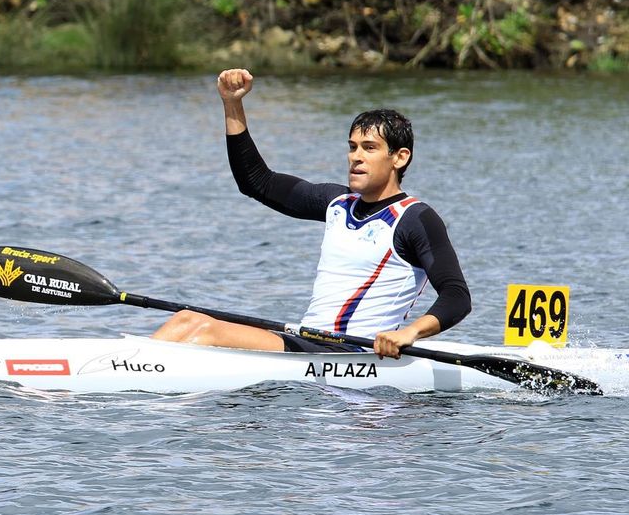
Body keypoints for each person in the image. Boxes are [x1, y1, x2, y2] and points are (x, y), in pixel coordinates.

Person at [152, 69, 469, 358]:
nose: (355, 157)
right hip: (311, 344)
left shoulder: (415, 219)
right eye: (352, 146)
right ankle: (130, 366)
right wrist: (232, 104)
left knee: (203, 329)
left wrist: (407, 334)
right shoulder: (337, 203)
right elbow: (256, 182)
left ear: (399, 158)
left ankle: (132, 371)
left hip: (352, 353)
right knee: (187, 320)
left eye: (369, 148)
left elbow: (456, 296)